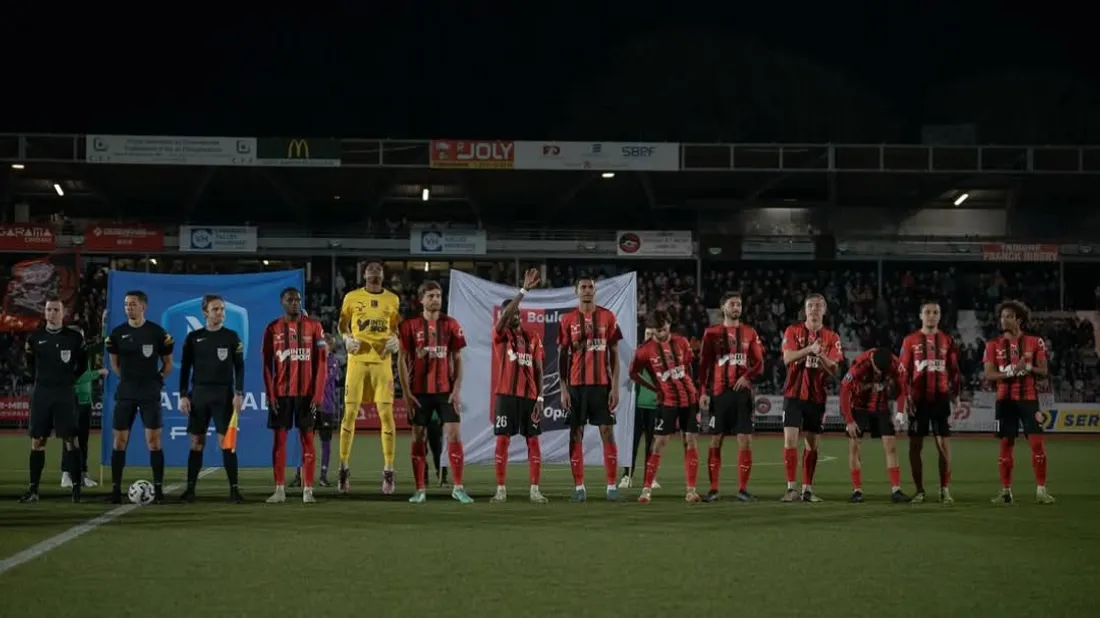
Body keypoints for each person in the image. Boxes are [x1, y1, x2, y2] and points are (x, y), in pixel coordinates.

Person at [398, 280, 472, 504]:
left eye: (438, 295)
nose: (435, 299)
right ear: (421, 299)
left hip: (445, 391)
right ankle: (420, 489)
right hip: (419, 392)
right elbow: (401, 360)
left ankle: (458, 487)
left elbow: (458, 358)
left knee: (454, 435)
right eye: (430, 296)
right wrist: (407, 393)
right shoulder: (410, 326)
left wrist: (457, 389)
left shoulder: (451, 324)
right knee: (418, 437)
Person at [338, 261, 402, 495]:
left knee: (386, 416)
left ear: (383, 275)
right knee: (350, 415)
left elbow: (395, 328)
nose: (374, 271)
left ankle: (388, 469)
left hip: (382, 364)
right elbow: (342, 325)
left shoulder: (393, 300)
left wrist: (396, 339)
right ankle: (343, 467)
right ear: (364, 274)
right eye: (370, 268)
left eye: (378, 269)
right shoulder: (351, 297)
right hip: (357, 363)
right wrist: (346, 339)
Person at [558, 276, 624, 503]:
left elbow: (614, 355)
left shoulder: (608, 317)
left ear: (595, 291)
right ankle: (579, 487)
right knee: (576, 433)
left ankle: (612, 486)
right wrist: (563, 389)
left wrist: (614, 387)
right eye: (583, 287)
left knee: (607, 431)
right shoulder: (567, 319)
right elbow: (562, 356)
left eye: (590, 287)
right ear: (576, 291)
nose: (587, 290)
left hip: (601, 385)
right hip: (576, 386)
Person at [982, 300, 1055, 505]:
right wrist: (1011, 371)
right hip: (1004, 400)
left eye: (1008, 316)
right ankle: (1006, 492)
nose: (1003, 320)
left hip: (1029, 399)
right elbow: (988, 374)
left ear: (1018, 320)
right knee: (1006, 444)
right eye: (1002, 316)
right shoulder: (993, 345)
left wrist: (1029, 368)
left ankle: (1041, 490)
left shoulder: (1035, 342)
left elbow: (1044, 372)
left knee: (1037, 444)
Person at [105, 290, 174, 504]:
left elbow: (168, 363)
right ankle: (116, 490)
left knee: (153, 442)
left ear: (143, 307)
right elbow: (114, 364)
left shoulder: (157, 333)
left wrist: (157, 381)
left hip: (149, 393)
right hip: (126, 392)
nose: (128, 308)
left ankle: (159, 490)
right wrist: (128, 380)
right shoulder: (117, 334)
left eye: (133, 304)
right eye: (126, 304)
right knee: (119, 441)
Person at [261, 288, 328, 504]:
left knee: (308, 440)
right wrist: (271, 395)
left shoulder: (314, 327)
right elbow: (266, 365)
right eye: (290, 300)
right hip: (281, 395)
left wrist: (317, 395)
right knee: (279, 441)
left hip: (306, 395)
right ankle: (279, 490)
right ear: (282, 302)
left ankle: (308, 490)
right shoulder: (272, 328)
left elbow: (322, 363)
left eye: (298, 300)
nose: (295, 303)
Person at [178, 294, 246, 503]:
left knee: (227, 443)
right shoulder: (193, 338)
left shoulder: (232, 337)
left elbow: (239, 367)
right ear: (205, 312)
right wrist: (183, 395)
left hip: (223, 395)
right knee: (197, 442)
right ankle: (190, 490)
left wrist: (239, 393)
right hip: (199, 394)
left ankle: (234, 490)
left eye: (222, 309)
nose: (220, 313)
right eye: (215, 309)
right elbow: (185, 368)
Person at [697, 291, 765, 502]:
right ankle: (713, 489)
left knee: (745, 440)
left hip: (741, 395)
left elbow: (760, 363)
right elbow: (704, 366)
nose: (736, 307)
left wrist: (748, 376)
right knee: (716, 439)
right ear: (723, 308)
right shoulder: (711, 333)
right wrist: (703, 392)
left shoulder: (750, 333)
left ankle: (742, 489)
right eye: (732, 304)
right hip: (718, 393)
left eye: (739, 304)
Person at [628, 310, 700, 503]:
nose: (660, 334)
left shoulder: (682, 342)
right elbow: (633, 373)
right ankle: (646, 490)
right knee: (658, 444)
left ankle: (691, 490)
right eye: (656, 330)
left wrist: (696, 390)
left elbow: (688, 366)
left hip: (689, 400)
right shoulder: (644, 350)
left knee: (690, 441)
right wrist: (654, 388)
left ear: (669, 325)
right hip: (667, 402)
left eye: (663, 329)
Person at [490, 268, 549, 504]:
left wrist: (541, 398)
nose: (514, 315)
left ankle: (534, 490)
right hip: (506, 395)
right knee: (502, 440)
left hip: (529, 397)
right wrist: (523, 290)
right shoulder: (500, 335)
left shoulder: (532, 337)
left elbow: (539, 370)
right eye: (509, 312)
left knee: (533, 441)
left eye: (516, 312)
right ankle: (501, 490)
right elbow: (503, 320)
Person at [20, 298, 87, 503]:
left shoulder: (74, 338)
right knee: (38, 441)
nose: (52, 313)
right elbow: (29, 365)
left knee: (70, 440)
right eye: (49, 309)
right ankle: (33, 489)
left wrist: (67, 381)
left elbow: (82, 365)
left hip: (64, 393)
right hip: (42, 393)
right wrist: (41, 380)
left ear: (63, 312)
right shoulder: (35, 338)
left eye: (56, 309)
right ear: (45, 312)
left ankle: (76, 488)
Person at [779, 293, 842, 502]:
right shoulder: (792, 331)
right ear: (805, 310)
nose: (814, 309)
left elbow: (834, 369)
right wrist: (808, 350)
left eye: (818, 306)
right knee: (790, 440)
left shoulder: (832, 337)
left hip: (816, 396)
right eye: (811, 306)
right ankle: (790, 489)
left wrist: (820, 354)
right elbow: (787, 358)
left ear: (824, 311)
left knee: (812, 444)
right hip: (793, 394)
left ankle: (807, 489)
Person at [899, 301, 961, 504]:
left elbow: (954, 371)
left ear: (940, 316)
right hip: (918, 401)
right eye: (928, 312)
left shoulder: (947, 340)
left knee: (943, 445)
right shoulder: (910, 341)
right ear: (920, 315)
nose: (932, 316)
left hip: (941, 399)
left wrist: (957, 395)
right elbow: (904, 373)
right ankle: (919, 491)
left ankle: (945, 490)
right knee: (915, 446)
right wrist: (906, 398)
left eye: (936, 312)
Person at [840, 346, 911, 503]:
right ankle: (857, 490)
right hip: (859, 407)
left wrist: (900, 411)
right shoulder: (859, 365)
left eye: (882, 371)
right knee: (855, 448)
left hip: (881, 406)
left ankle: (896, 490)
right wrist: (849, 420)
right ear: (872, 361)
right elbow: (844, 390)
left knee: (891, 447)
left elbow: (902, 387)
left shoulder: (894, 364)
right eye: (877, 370)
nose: (879, 373)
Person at [292, 333, 339, 488]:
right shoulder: (310, 361)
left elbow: (324, 380)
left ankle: (323, 476)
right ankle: (299, 475)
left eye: (326, 344)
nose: (323, 346)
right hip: (310, 405)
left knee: (325, 442)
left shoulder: (332, 362)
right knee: (304, 441)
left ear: (330, 346)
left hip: (326, 407)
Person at [62, 333, 106, 490]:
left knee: (82, 441)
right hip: (74, 400)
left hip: (85, 401)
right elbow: (77, 378)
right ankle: (68, 474)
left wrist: (106, 323)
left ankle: (81, 473)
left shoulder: (84, 352)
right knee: (71, 439)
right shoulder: (66, 354)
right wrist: (98, 373)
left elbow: (104, 344)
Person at [619, 327, 659, 490]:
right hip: (636, 406)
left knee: (652, 444)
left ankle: (650, 478)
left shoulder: (660, 356)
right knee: (632, 443)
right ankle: (627, 475)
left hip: (655, 405)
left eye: (653, 334)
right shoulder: (638, 354)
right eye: (648, 333)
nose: (650, 337)